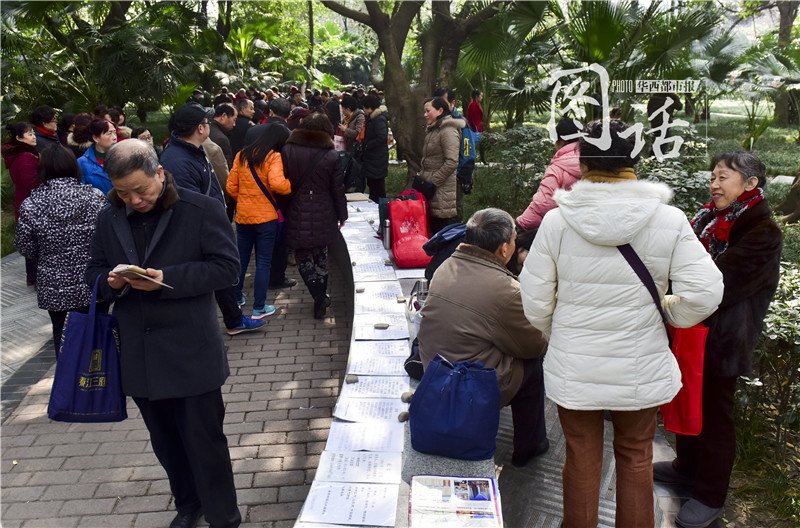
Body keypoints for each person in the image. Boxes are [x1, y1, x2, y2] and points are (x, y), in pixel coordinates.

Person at [519, 119, 724, 528]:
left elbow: (534, 300)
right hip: (641, 363)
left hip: (575, 364)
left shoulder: (558, 222)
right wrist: (667, 313)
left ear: (582, 161)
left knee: (579, 457)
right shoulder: (667, 220)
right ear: (634, 159)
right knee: (635, 456)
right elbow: (704, 293)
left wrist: (556, 329)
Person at [85, 139, 242, 528]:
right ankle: (188, 504)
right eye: (123, 193)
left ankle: (224, 515)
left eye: (141, 189)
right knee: (166, 442)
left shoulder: (201, 208)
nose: (134, 200)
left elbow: (226, 269)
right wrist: (110, 281)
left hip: (191, 348)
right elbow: (93, 271)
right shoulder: (110, 216)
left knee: (204, 442)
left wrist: (167, 280)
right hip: (139, 351)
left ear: (159, 172)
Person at [654, 151, 782, 528]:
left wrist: (674, 278)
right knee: (689, 399)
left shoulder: (763, 232)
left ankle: (710, 495)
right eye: (713, 176)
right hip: (693, 327)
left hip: (724, 336)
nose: (714, 184)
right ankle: (686, 468)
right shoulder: (711, 218)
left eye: (724, 177)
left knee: (715, 414)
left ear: (750, 184)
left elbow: (717, 282)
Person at [418, 208, 549, 466]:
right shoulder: (506, 289)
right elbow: (534, 345)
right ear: (503, 249)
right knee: (532, 367)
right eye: (513, 239)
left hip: (434, 370)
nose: (515, 243)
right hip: (466, 386)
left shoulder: (446, 266)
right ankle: (529, 447)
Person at [161, 103, 264, 337]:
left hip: (207, 224)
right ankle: (222, 322)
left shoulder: (191, 150)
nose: (209, 126)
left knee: (220, 275)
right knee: (212, 274)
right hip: (197, 228)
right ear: (199, 128)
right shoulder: (178, 160)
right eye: (207, 123)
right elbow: (186, 202)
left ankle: (234, 319)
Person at [15, 145, 107, 356]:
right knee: (97, 332)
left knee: (62, 334)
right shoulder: (95, 197)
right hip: (92, 280)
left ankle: (68, 381)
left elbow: (25, 246)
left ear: (42, 170)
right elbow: (108, 237)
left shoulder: (31, 205)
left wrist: (47, 255)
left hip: (53, 283)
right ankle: (98, 382)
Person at [281, 113, 347, 319]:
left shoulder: (287, 150)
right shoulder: (331, 155)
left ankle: (318, 295)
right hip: (324, 209)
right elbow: (338, 189)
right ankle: (321, 296)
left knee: (302, 257)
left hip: (296, 208)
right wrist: (342, 214)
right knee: (321, 255)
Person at [226, 124, 291, 319]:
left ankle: (237, 298)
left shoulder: (241, 155)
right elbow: (278, 184)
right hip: (266, 219)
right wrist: (290, 186)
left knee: (241, 259)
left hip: (243, 217)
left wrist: (244, 200)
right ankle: (259, 308)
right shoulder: (273, 157)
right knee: (263, 262)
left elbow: (230, 186)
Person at [244, 97, 298, 291]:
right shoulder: (289, 134)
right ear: (288, 114)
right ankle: (277, 276)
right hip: (280, 193)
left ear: (271, 112)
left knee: (262, 237)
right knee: (280, 237)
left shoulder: (252, 131)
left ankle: (263, 273)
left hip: (255, 192)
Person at [516, 118, 583, 231]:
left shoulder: (558, 167)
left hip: (563, 229)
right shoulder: (598, 161)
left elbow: (543, 204)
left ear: (560, 141)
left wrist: (520, 223)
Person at [418, 97, 465, 234]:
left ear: (440, 110)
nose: (425, 114)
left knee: (441, 232)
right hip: (430, 190)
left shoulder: (448, 130)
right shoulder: (434, 129)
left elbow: (452, 162)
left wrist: (433, 181)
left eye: (428, 111)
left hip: (440, 192)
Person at [3, 123, 41, 285]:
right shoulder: (26, 157)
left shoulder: (23, 154)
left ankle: (32, 277)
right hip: (30, 203)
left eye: (33, 133)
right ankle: (35, 277)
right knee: (34, 241)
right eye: (29, 134)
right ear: (19, 138)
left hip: (24, 202)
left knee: (31, 240)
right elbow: (30, 182)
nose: (33, 136)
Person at [359, 94, 389, 203]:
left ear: (370, 107)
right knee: (372, 184)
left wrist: (367, 145)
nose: (364, 110)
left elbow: (382, 137)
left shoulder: (379, 119)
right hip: (372, 158)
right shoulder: (372, 118)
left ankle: (381, 208)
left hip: (377, 158)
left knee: (378, 187)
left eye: (365, 107)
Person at [78, 118, 117, 196]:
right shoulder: (81, 163)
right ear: (96, 138)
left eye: (115, 133)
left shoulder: (123, 157)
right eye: (109, 133)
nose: (114, 137)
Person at [209, 103, 237, 169]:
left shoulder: (206, 128)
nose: (234, 124)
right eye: (234, 120)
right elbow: (225, 168)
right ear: (224, 116)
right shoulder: (221, 139)